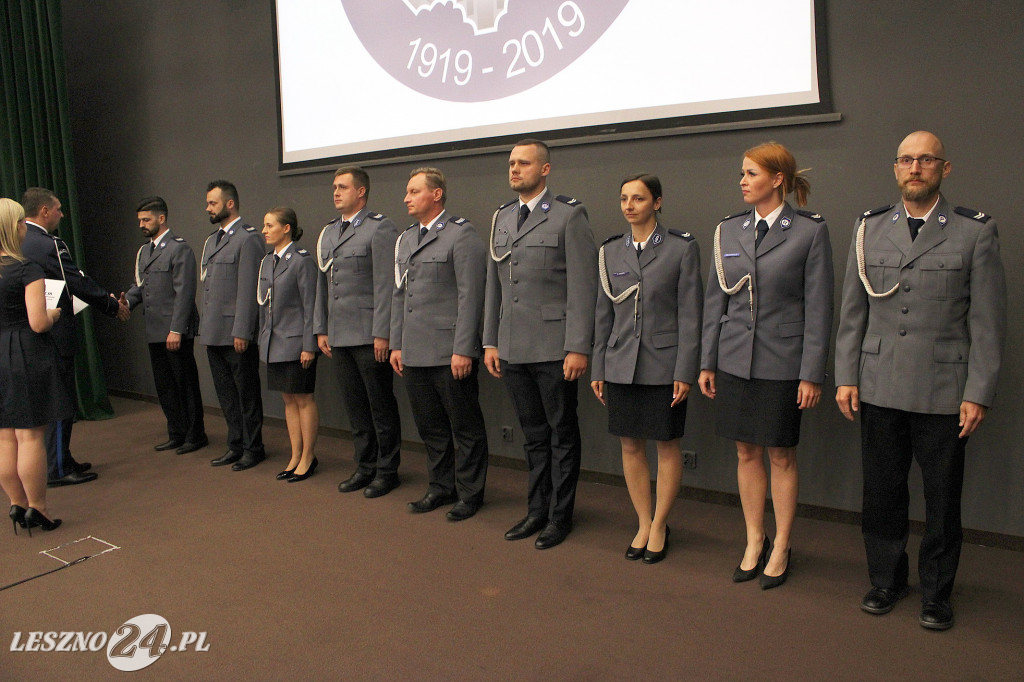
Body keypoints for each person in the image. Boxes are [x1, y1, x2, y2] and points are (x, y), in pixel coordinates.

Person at [835, 131, 1006, 630]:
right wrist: (846, 375)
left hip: (943, 390)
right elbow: (852, 312)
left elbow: (988, 324)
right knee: (882, 493)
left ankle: (936, 593)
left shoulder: (975, 232)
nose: (916, 167)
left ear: (943, 169)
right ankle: (886, 580)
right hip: (879, 382)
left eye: (926, 160)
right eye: (907, 159)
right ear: (895, 168)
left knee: (942, 498)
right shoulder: (869, 228)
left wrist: (978, 391)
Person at [698, 142, 833, 589]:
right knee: (745, 451)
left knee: (780, 454)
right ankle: (755, 539)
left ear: (777, 180)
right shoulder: (728, 231)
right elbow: (715, 300)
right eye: (742, 172)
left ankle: (782, 545)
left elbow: (819, 309)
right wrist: (708, 361)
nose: (742, 180)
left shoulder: (809, 232)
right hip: (735, 358)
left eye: (751, 173)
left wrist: (812, 372)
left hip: (783, 361)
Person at [483, 139, 597, 550]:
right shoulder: (502, 217)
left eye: (524, 163)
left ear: (545, 170)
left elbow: (583, 288)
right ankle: (536, 511)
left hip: (554, 347)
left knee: (561, 434)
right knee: (532, 435)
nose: (515, 169)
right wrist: (489, 341)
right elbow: (495, 285)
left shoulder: (569, 215)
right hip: (512, 345)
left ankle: (560, 517)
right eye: (511, 163)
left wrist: (578, 347)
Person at [591, 174, 702, 564]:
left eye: (638, 198)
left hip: (664, 363)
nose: (629, 205)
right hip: (621, 362)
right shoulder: (609, 251)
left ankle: (660, 524)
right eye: (624, 198)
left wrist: (685, 370)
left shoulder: (680, 248)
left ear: (657, 202)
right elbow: (603, 314)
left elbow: (691, 315)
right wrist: (598, 366)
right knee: (630, 444)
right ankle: (643, 520)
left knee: (666, 445)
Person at [390, 167, 488, 521]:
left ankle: (470, 493)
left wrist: (464, 349)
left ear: (436, 195)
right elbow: (400, 295)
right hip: (415, 350)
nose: (406, 198)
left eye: (414, 191)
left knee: (465, 427)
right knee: (430, 425)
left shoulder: (461, 236)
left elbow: (471, 297)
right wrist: (397, 344)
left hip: (450, 352)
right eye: (407, 191)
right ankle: (440, 486)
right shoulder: (407, 239)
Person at [21, 187, 128, 488]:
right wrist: (111, 305)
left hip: (28, 334)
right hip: (54, 332)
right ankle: (57, 467)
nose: (61, 214)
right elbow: (74, 280)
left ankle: (61, 458)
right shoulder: (47, 243)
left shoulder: (18, 242)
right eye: (57, 209)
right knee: (60, 401)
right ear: (44, 211)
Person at [314, 167, 402, 498]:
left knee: (379, 406)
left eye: (343, 187)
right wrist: (321, 328)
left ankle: (387, 470)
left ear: (361, 192)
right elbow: (324, 283)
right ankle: (364, 466)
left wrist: (383, 333)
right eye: (334, 187)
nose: (336, 192)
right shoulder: (329, 232)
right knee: (355, 406)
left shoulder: (379, 229)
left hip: (368, 334)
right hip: (339, 334)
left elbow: (386, 286)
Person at [0, 198, 70, 534]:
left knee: (4, 437)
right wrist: (55, 312)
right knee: (29, 436)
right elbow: (39, 323)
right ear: (15, 228)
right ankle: (38, 509)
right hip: (24, 354)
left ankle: (16, 503)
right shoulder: (26, 269)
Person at [123, 196, 206, 455]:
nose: (142, 225)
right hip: (154, 329)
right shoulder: (144, 251)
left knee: (185, 383)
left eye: (146, 219)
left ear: (161, 218)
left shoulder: (178, 248)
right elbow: (141, 287)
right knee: (165, 386)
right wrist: (124, 302)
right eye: (139, 221)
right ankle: (176, 432)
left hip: (174, 330)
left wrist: (176, 329)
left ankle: (195, 434)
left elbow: (184, 293)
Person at [199, 180, 266, 471]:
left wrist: (243, 330)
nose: (208, 208)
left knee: (246, 394)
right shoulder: (213, 239)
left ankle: (253, 448)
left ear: (229, 204)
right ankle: (235, 444)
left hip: (235, 332)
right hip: (214, 331)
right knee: (226, 394)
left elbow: (248, 288)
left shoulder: (247, 238)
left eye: (212, 203)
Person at [258, 208, 320, 482]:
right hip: (275, 343)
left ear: (286, 228)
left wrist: (309, 345)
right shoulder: (268, 261)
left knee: (303, 399)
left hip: (297, 344)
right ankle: (295, 455)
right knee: (287, 399)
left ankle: (308, 457)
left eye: (270, 225)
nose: (264, 230)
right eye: (264, 225)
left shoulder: (301, 261)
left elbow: (311, 306)